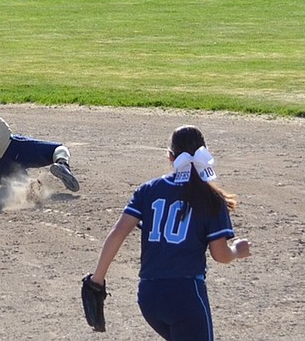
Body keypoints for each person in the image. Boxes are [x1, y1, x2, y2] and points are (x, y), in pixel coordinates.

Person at [86, 125, 252, 340]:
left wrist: (97, 278)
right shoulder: (211, 199)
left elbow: (118, 232)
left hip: (149, 296)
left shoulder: (149, 190)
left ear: (170, 157)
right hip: (185, 296)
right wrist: (237, 251)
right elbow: (220, 255)